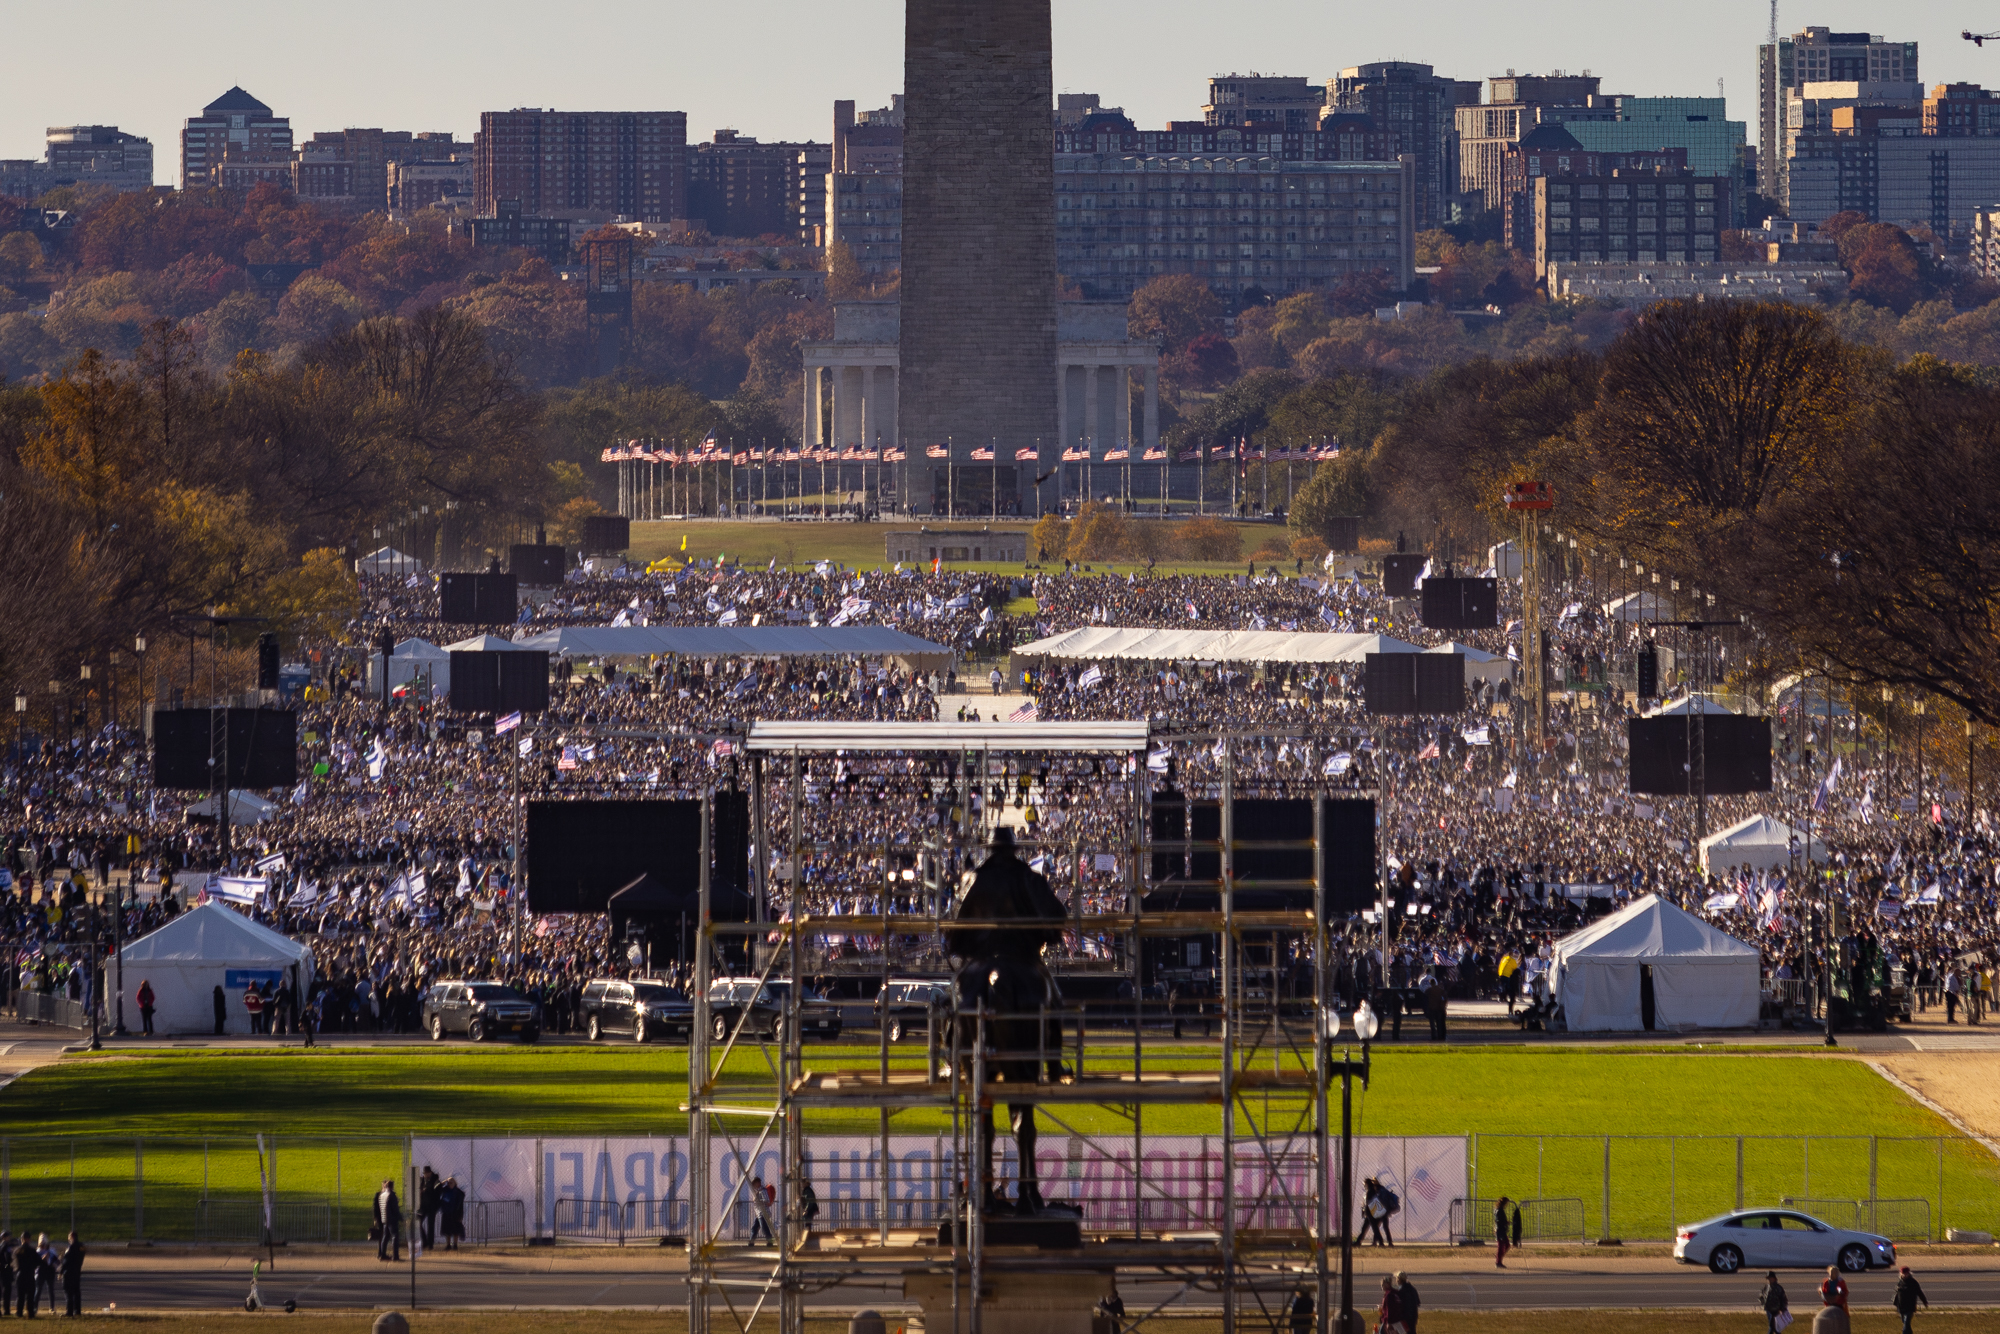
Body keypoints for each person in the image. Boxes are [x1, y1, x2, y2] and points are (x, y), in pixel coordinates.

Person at [1891, 1265, 1928, 1334]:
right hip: (1901, 1307)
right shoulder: (1900, 1282)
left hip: (1910, 1307)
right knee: (1905, 1323)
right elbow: (1897, 1293)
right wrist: (1895, 1302)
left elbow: (1919, 1292)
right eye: (1903, 1273)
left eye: (1906, 1273)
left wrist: (1924, 1301)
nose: (1904, 1275)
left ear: (1909, 1273)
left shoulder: (1913, 1283)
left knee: (1906, 1325)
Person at [374, 1179, 403, 1262]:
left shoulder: (382, 1195)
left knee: (385, 1236)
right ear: (392, 1186)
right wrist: (401, 1218)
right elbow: (395, 1209)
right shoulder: (391, 1195)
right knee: (395, 1236)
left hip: (384, 1219)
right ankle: (395, 1256)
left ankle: (382, 1254)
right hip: (392, 1219)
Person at [58, 1234, 81, 1319]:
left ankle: (69, 1312)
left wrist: (61, 1272)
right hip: (77, 1272)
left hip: (68, 1273)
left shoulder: (70, 1248)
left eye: (68, 1237)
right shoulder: (81, 1246)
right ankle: (77, 1311)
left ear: (71, 1237)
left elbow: (65, 1262)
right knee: (76, 1292)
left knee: (68, 1293)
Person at [439, 1176, 466, 1250]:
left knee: (455, 1230)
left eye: (451, 1182)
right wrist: (443, 1182)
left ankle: (455, 1245)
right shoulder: (445, 1190)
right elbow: (436, 1189)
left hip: (455, 1214)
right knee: (447, 1231)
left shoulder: (458, 1193)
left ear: (455, 1183)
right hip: (446, 1213)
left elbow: (460, 1205)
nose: (450, 1184)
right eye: (449, 1183)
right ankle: (448, 1245)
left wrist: (460, 1216)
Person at [417, 1167, 440, 1250]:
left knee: (431, 1225)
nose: (425, 1175)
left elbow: (438, 1193)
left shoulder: (435, 1180)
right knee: (418, 1222)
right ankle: (425, 1241)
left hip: (432, 1206)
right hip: (423, 1206)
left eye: (426, 1173)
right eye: (424, 1173)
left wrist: (427, 1190)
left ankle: (430, 1244)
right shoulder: (423, 1180)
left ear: (430, 1173)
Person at [14, 1232, 36, 1318]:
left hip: (21, 1274)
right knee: (30, 1296)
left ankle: (19, 1312)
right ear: (29, 1239)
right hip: (30, 1274)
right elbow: (37, 1261)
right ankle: (30, 1313)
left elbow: (16, 1263)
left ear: (22, 1239)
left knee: (21, 1296)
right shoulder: (32, 1250)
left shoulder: (18, 1251)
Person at [747, 1175, 773, 1244]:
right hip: (759, 1213)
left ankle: (770, 1241)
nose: (754, 1185)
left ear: (758, 1183)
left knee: (764, 1228)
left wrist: (758, 1200)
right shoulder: (757, 1191)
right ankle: (751, 1241)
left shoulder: (762, 1191)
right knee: (755, 1227)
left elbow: (767, 1200)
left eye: (755, 1183)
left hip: (763, 1213)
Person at [1493, 1196, 1511, 1268]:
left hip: (1501, 1230)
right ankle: (1498, 1261)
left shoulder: (1499, 1210)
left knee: (1506, 1245)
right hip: (1500, 1230)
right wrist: (1505, 1223)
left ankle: (1499, 1259)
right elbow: (1498, 1221)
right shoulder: (1499, 1210)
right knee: (1501, 1246)